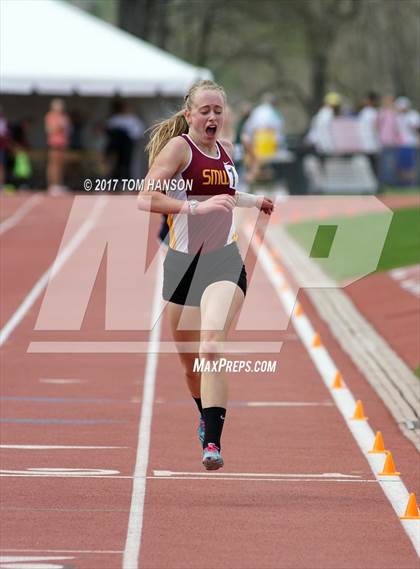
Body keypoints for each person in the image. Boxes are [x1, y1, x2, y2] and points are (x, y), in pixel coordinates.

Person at [137, 79, 273, 470]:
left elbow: (223, 197)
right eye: (205, 110)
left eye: (218, 110)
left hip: (224, 262)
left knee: (210, 347)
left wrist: (254, 201)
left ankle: (212, 443)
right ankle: (203, 412)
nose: (213, 117)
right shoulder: (179, 148)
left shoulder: (227, 151)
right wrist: (195, 210)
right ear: (189, 115)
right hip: (182, 265)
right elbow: (146, 197)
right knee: (189, 365)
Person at [106, 98, 144, 182]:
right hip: (116, 146)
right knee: (115, 164)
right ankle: (114, 180)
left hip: (128, 145)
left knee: (128, 164)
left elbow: (138, 132)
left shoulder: (132, 119)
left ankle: (127, 179)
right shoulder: (114, 119)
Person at [44, 98, 71, 194]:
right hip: (54, 144)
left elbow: (67, 130)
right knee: (53, 165)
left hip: (63, 143)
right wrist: (59, 126)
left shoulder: (64, 116)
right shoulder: (50, 116)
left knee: (61, 165)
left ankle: (59, 184)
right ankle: (52, 185)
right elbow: (49, 130)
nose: (61, 108)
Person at [358, 91, 380, 175]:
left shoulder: (367, 112)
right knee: (371, 166)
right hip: (369, 144)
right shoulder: (370, 112)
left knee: (371, 166)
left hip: (368, 144)